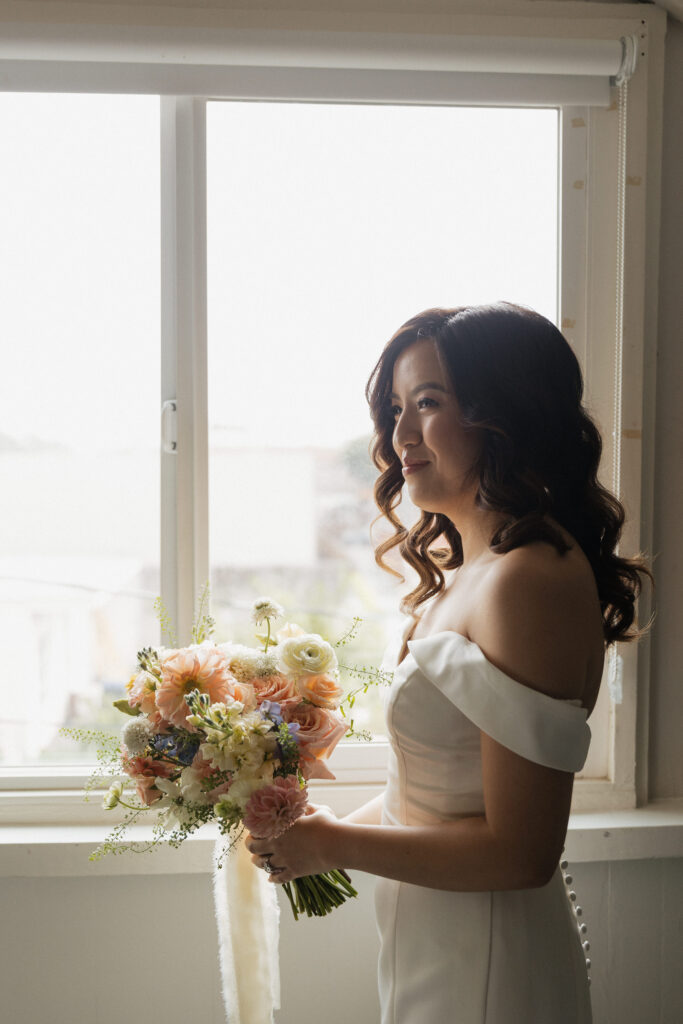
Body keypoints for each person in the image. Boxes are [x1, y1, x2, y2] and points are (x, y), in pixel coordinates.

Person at [246, 302, 654, 1023]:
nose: (399, 434)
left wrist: (332, 842)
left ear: (504, 414)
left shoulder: (528, 578)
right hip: (434, 943)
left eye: (427, 403)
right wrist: (310, 838)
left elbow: (520, 854)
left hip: (488, 965)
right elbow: (430, 799)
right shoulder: (468, 572)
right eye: (396, 408)